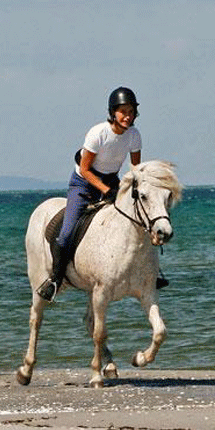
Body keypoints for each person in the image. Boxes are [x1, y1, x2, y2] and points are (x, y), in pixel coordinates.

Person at [37, 87, 143, 301]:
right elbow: (85, 169)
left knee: (140, 219)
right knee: (66, 233)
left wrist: (134, 190)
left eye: (131, 111)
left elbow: (135, 169)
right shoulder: (98, 133)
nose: (128, 116)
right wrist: (106, 191)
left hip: (112, 180)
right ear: (113, 112)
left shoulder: (134, 135)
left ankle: (148, 273)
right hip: (83, 184)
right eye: (123, 111)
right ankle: (55, 280)